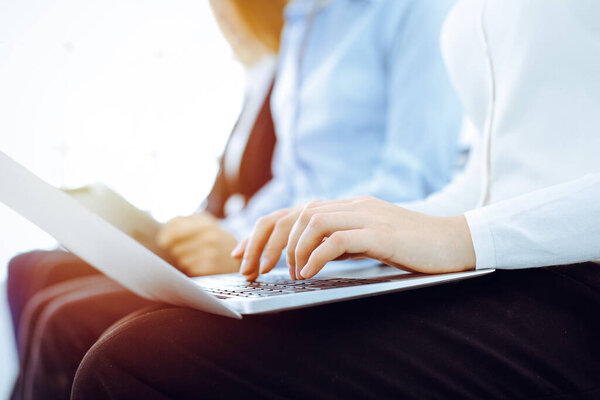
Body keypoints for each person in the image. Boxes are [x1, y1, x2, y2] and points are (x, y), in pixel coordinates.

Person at [70, 1, 600, 398]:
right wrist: (362, 223)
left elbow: (474, 219)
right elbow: (497, 174)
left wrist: (461, 236)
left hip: (573, 290)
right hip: (502, 271)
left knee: (132, 361)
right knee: (143, 334)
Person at [7, 0, 462, 399]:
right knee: (56, 306)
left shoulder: (414, 9)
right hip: (279, 267)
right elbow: (290, 182)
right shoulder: (305, 21)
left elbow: (413, 187)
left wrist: (254, 248)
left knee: (69, 324)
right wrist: (230, 236)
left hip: (341, 274)